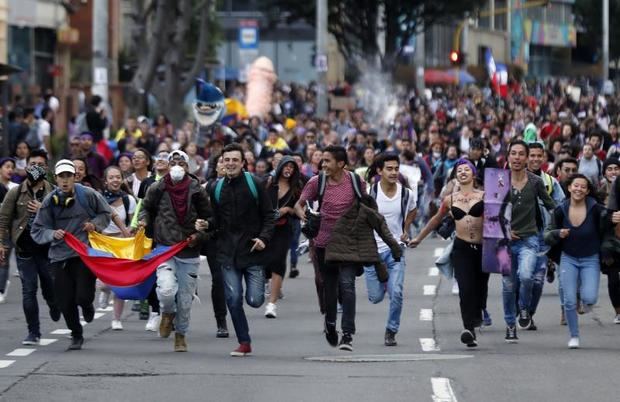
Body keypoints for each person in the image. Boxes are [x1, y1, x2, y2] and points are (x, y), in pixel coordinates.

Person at [197, 143, 275, 357]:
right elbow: (215, 218)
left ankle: (259, 294)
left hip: (253, 252)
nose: (230, 163)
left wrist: (263, 238)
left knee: (255, 300)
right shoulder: (216, 187)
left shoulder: (255, 184)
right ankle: (244, 341)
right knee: (233, 298)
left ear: (243, 163)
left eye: (234, 160)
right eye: (226, 160)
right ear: (221, 163)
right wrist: (206, 224)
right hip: (226, 252)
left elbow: (270, 215)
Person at [31, 160, 112, 350]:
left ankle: (87, 306)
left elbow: (106, 213)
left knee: (82, 297)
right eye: (61, 176)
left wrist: (94, 224)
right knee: (64, 301)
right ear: (55, 178)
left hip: (84, 254)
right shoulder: (49, 202)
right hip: (59, 256)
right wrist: (52, 234)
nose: (65, 180)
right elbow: (37, 230)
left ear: (75, 177)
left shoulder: (88, 194)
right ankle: (76, 334)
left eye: (69, 176)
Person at [294, 145, 366, 351]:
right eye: (322, 160)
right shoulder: (317, 182)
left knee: (348, 286)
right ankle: (331, 325)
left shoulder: (355, 181)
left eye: (327, 161)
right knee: (330, 287)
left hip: (349, 243)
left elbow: (366, 205)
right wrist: (306, 218)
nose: (323, 164)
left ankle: (348, 334)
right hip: (323, 243)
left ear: (341, 163)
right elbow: (300, 204)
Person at [411, 159, 489, 347]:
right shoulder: (450, 200)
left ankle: (478, 312)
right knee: (465, 289)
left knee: (480, 289)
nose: (462, 172)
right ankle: (468, 329)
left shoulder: (485, 196)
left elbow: (498, 219)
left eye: (466, 169)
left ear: (474, 174)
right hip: (461, 248)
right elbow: (435, 220)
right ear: (455, 176)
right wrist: (418, 238)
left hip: (483, 249)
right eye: (459, 170)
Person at [140, 150, 210, 352]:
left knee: (186, 300)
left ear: (188, 168)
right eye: (173, 163)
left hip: (189, 251)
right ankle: (168, 313)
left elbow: (211, 221)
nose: (177, 166)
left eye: (182, 163)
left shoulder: (197, 190)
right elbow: (146, 208)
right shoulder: (157, 188)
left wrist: (199, 234)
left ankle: (180, 335)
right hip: (164, 248)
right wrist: (143, 221)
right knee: (166, 290)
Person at [544, 174, 610, 349]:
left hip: (591, 259)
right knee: (569, 301)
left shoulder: (596, 209)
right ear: (569, 188)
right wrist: (558, 233)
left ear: (588, 191)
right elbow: (547, 234)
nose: (579, 189)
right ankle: (574, 336)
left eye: (583, 187)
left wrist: (613, 218)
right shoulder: (560, 209)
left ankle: (585, 300)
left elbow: (608, 221)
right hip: (568, 258)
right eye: (576, 186)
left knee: (590, 298)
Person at [0, 150, 59, 344]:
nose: (36, 168)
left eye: (40, 165)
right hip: (24, 250)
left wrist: (44, 208)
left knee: (50, 288)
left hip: (48, 250)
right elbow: (4, 219)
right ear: (26, 167)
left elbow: (63, 219)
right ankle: (33, 332)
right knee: (29, 289)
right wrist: (1, 242)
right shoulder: (15, 192)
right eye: (33, 164)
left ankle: (53, 304)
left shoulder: (54, 192)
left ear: (46, 168)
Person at [503, 140, 555, 342]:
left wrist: (552, 231)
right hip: (505, 243)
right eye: (513, 153)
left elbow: (552, 207)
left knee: (525, 276)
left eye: (520, 154)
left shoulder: (535, 182)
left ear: (526, 158)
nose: (517, 157)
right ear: (508, 157)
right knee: (508, 286)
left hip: (529, 240)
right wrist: (504, 230)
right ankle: (509, 325)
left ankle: (524, 308)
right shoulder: (499, 181)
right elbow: (491, 212)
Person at [364, 153, 417, 346]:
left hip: (396, 250)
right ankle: (386, 282)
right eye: (389, 169)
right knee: (376, 297)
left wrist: (406, 228)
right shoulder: (370, 194)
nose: (394, 172)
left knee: (397, 292)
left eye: (396, 168)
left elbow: (413, 209)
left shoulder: (405, 194)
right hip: (372, 253)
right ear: (379, 171)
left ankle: (391, 330)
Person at [526, 142, 566, 329]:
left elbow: (560, 209)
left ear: (543, 158)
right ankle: (521, 309)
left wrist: (556, 234)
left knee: (537, 279)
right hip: (519, 238)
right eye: (531, 155)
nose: (535, 159)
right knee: (521, 278)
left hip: (542, 239)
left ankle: (528, 314)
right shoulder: (512, 180)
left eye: (538, 156)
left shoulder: (551, 182)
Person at [263, 156, 302, 319]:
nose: (289, 170)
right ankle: (265, 282)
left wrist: (288, 210)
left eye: (292, 168)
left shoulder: (296, 187)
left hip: (284, 229)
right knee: (266, 261)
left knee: (279, 261)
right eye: (286, 166)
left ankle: (272, 303)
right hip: (265, 229)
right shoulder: (269, 182)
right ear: (280, 167)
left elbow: (299, 207)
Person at [98, 166, 136, 330]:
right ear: (105, 181)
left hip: (122, 245)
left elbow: (132, 224)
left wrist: (129, 234)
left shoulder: (129, 200)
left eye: (118, 177)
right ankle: (105, 292)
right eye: (111, 177)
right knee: (104, 284)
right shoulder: (98, 199)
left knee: (120, 283)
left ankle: (116, 319)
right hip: (102, 244)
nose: (115, 180)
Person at [201, 154, 229, 338]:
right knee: (218, 280)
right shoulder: (207, 188)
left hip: (237, 240)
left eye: (231, 160)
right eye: (222, 161)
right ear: (216, 167)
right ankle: (221, 321)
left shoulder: (246, 185)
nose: (226, 165)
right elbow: (201, 213)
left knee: (233, 282)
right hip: (215, 239)